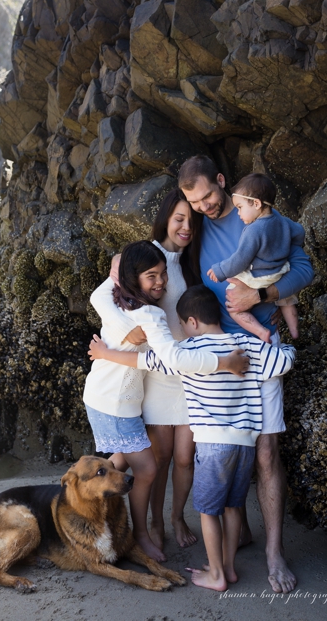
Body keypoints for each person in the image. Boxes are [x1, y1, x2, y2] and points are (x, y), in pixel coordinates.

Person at [90, 285, 294, 591]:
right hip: (245, 445)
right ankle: (228, 568)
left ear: (192, 323)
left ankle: (216, 575)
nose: (183, 331)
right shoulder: (245, 345)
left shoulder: (189, 352)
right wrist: (274, 339)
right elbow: (285, 360)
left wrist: (106, 353)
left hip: (213, 447)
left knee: (208, 512)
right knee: (233, 506)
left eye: (183, 326)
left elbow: (147, 362)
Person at [178, 155, 311, 593]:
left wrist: (263, 294)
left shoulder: (258, 213)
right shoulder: (195, 230)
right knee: (225, 447)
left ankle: (274, 554)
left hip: (263, 343)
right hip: (219, 351)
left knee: (266, 451)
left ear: (223, 183)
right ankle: (242, 531)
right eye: (193, 203)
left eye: (208, 197)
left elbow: (305, 268)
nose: (204, 207)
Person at [84, 240, 244, 561]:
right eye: (151, 276)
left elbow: (97, 294)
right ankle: (134, 533)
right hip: (114, 403)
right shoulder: (151, 316)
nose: (160, 282)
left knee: (124, 460)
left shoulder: (115, 300)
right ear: (132, 277)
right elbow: (173, 359)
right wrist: (221, 363)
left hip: (108, 398)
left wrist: (113, 344)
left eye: (162, 274)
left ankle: (81, 507)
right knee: (146, 469)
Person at [101, 191, 204, 551]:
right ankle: (155, 522)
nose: (186, 226)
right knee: (158, 458)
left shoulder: (195, 259)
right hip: (158, 373)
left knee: (184, 457)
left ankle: (177, 517)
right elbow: (101, 298)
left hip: (191, 374)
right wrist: (124, 331)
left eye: (192, 219)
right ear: (165, 218)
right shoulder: (143, 254)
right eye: (179, 218)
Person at [205, 173, 305, 343]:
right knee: (286, 299)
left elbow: (240, 259)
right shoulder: (281, 220)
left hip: (260, 276)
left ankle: (260, 332)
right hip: (282, 270)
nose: (238, 213)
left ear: (256, 204)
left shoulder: (253, 230)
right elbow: (299, 232)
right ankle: (294, 330)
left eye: (240, 207)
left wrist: (220, 270)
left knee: (232, 304)